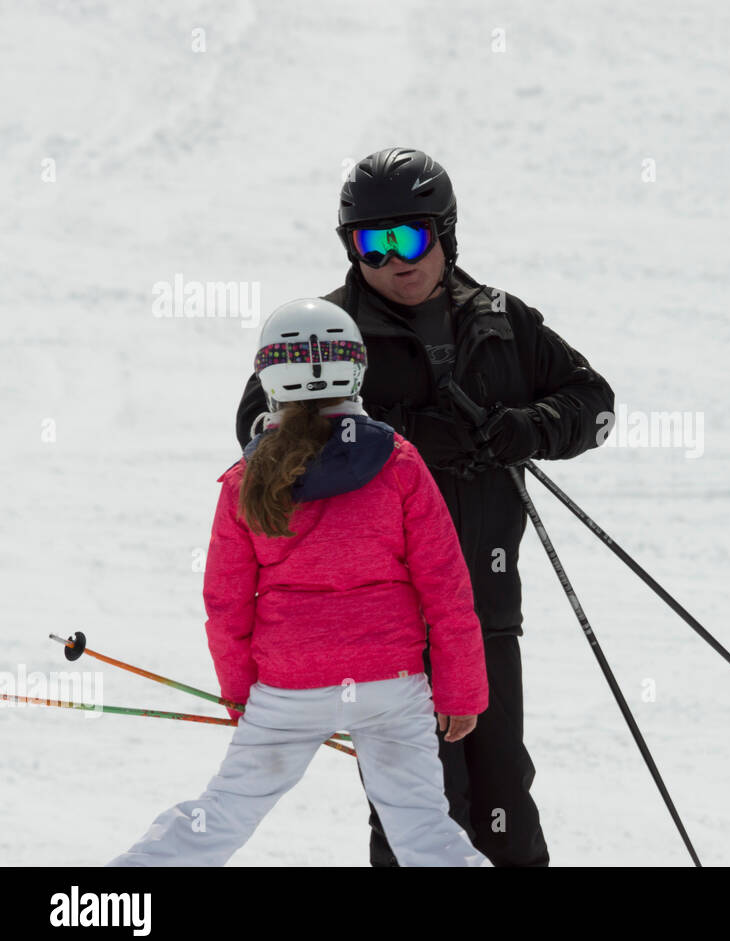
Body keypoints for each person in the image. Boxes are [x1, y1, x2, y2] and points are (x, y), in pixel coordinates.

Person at [234, 147, 615, 867]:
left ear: (445, 233)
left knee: (505, 795)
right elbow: (258, 440)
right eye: (370, 244)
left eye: (410, 237)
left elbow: (594, 404)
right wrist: (385, 440)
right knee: (419, 808)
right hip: (384, 625)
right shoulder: (324, 333)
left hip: (484, 605)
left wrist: (528, 427)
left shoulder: (502, 322)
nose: (392, 260)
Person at [110, 298, 488, 867]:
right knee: (422, 829)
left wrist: (241, 691)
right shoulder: (399, 463)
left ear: (268, 378)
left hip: (291, 687)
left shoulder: (245, 478)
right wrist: (462, 691)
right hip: (390, 683)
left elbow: (225, 603)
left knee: (224, 813)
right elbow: (446, 587)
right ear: (356, 370)